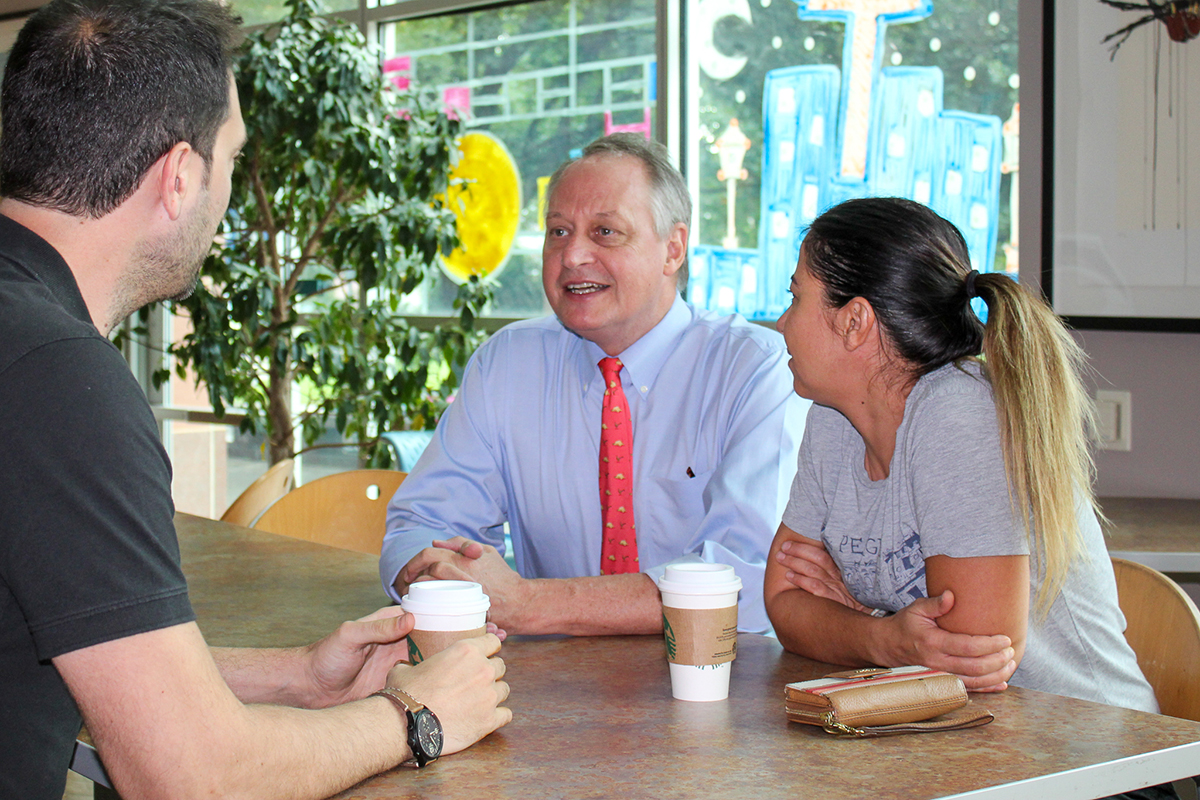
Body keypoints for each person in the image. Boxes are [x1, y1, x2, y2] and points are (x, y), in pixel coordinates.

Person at [0, 2, 509, 798]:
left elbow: (78, 646)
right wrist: (416, 717)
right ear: (179, 176)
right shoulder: (57, 379)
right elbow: (189, 774)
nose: (231, 189)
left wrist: (301, 677)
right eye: (232, 157)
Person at [381, 133, 808, 636]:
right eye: (558, 232)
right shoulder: (508, 363)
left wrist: (528, 603)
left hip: (719, 682)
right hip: (554, 687)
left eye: (605, 232)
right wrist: (444, 575)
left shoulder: (754, 369)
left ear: (673, 249)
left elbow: (747, 576)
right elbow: (421, 525)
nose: (573, 256)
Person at [763, 197, 1157, 712]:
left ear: (854, 321)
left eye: (795, 298)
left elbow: (974, 659)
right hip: (966, 747)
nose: (782, 322)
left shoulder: (959, 410)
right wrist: (888, 639)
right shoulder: (832, 420)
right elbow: (785, 600)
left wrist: (860, 623)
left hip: (1096, 761)